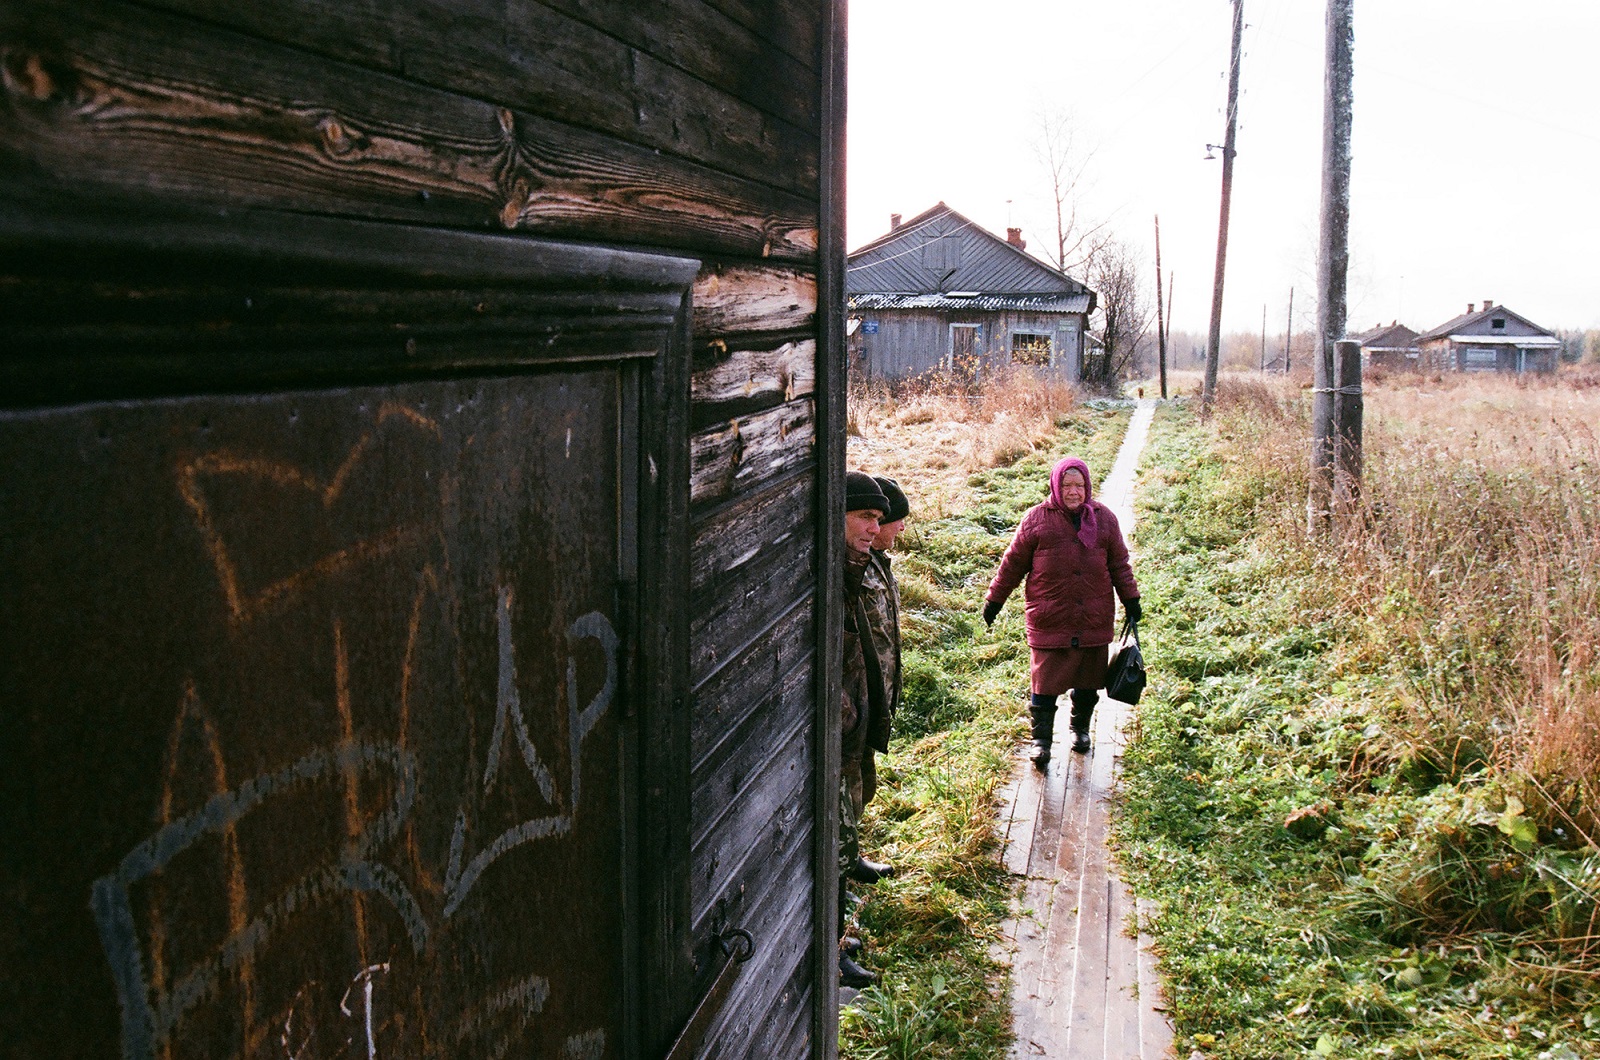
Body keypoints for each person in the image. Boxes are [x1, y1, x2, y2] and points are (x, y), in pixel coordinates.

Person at [982, 457, 1142, 765]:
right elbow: (1012, 565)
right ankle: (1040, 741)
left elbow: (1119, 564)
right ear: (1056, 486)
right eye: (1067, 485)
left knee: (1088, 680)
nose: (1073, 492)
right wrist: (995, 601)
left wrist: (1131, 600)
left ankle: (1079, 729)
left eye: (1079, 485)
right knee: (1045, 683)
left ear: (1087, 487)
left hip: (1092, 617)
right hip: (1050, 617)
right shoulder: (1036, 520)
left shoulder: (1104, 519)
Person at [839, 471, 890, 988]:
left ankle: (835, 939)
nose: (875, 528)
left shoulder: (855, 568)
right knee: (831, 840)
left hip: (851, 730)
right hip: (830, 739)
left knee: (843, 830)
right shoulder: (826, 571)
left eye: (879, 519)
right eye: (865, 517)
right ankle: (832, 954)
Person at [848, 475, 909, 886]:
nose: (897, 527)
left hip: (873, 697)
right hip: (853, 702)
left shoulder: (877, 566)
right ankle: (843, 872)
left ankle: (850, 859)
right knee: (847, 792)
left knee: (862, 788)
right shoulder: (853, 567)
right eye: (889, 518)